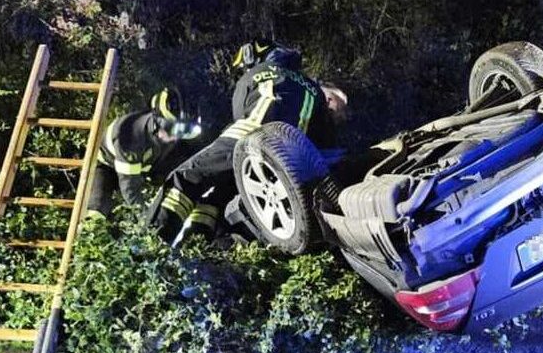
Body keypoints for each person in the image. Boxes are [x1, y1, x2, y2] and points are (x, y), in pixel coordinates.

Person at [147, 40, 347, 245]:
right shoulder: (313, 89)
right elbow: (324, 139)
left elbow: (239, 111)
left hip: (250, 137)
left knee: (187, 178)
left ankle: (150, 246)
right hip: (290, 162)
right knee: (215, 199)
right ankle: (197, 246)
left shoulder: (257, 72)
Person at [86, 87, 202, 219]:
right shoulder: (130, 137)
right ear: (158, 122)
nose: (175, 138)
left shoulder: (165, 136)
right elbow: (130, 189)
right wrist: (146, 219)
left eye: (182, 133)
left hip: (143, 168)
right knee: (97, 210)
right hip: (106, 165)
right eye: (173, 131)